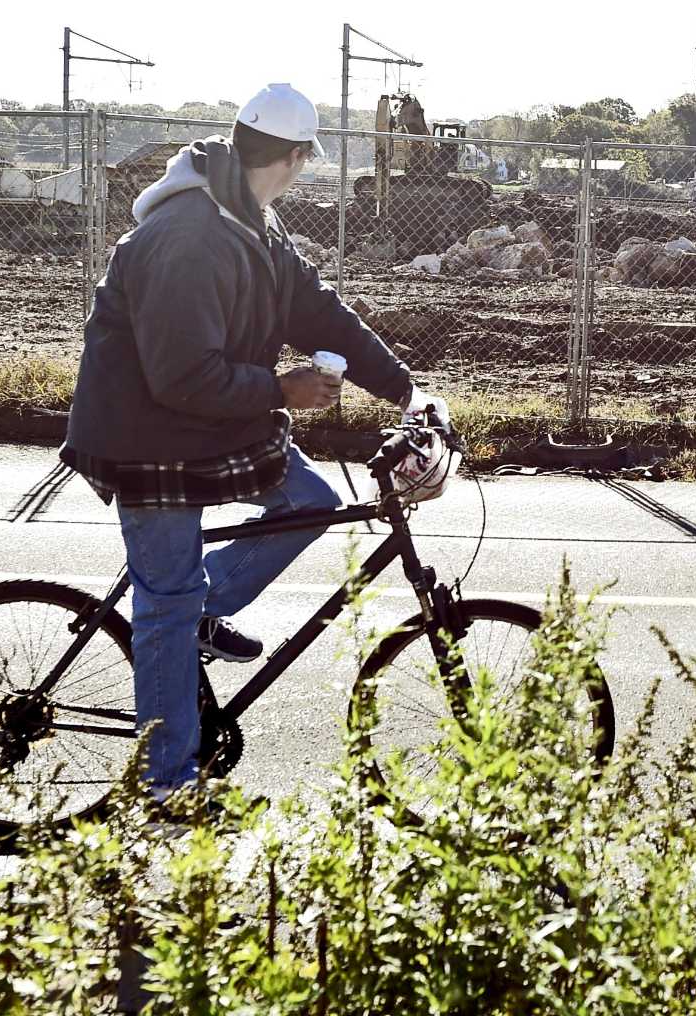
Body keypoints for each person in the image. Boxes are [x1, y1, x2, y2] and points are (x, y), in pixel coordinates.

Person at [60, 83, 436, 807]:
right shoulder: (188, 238)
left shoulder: (252, 221)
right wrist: (281, 389)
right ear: (295, 158)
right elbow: (181, 377)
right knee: (164, 606)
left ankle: (204, 608)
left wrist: (407, 391)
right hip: (145, 436)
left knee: (308, 502)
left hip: (203, 423)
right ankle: (167, 784)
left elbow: (320, 312)